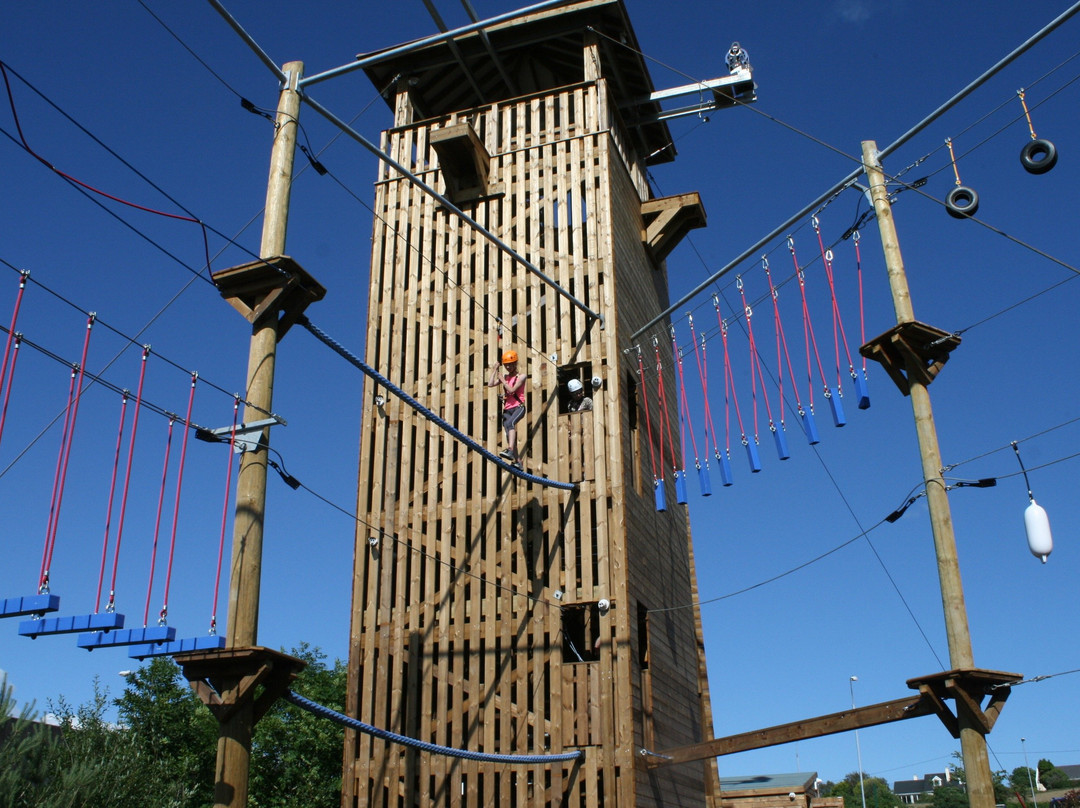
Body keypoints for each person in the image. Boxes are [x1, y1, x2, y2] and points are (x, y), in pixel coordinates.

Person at [488, 349, 526, 465]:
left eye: (510, 365)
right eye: (506, 365)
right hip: (508, 409)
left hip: (518, 407)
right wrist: (495, 370)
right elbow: (490, 384)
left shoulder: (521, 376)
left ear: (515, 364)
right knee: (509, 435)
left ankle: (509, 450)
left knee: (510, 424)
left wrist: (503, 380)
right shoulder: (505, 377)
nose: (508, 367)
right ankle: (518, 461)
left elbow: (512, 389)